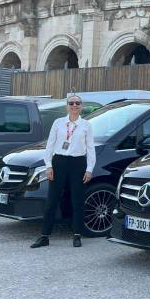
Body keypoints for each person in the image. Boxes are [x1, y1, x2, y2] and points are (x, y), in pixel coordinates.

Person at [30, 94, 96, 248]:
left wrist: (89, 169)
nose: (74, 105)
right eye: (71, 103)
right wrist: (48, 165)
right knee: (52, 200)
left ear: (81, 106)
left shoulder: (86, 125)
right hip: (59, 162)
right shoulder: (58, 123)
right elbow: (50, 145)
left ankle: (77, 234)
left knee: (77, 200)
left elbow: (90, 149)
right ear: (67, 106)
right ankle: (44, 236)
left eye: (77, 103)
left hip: (78, 163)